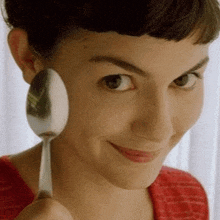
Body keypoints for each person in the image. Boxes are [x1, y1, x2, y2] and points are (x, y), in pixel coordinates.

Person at [0, 0, 220, 219]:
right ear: (29, 59)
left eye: (183, 80)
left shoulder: (187, 199)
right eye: (116, 81)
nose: (159, 130)